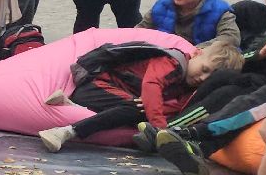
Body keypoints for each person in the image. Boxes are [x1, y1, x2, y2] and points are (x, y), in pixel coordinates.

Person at [37, 39, 239, 152]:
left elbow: (175, 107)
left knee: (141, 109)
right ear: (196, 54)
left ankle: (67, 103)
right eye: (204, 69)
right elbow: (151, 85)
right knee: (138, 109)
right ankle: (66, 132)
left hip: (105, 96)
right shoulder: (173, 63)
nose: (203, 78)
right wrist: (160, 128)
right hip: (96, 86)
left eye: (210, 77)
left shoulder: (188, 86)